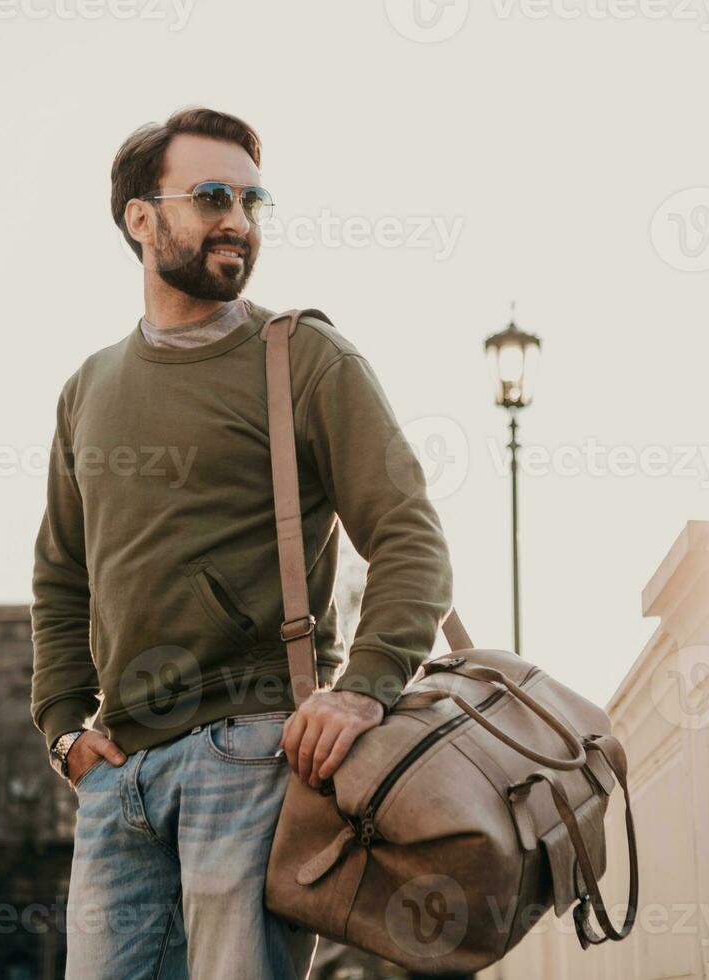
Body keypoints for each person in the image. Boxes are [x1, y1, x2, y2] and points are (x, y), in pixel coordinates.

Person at [29, 105, 455, 979]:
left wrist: (363, 690)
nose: (239, 220)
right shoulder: (88, 389)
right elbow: (61, 578)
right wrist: (65, 728)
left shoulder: (304, 357)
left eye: (255, 201)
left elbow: (411, 538)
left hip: (255, 753)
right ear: (141, 219)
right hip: (117, 776)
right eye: (214, 195)